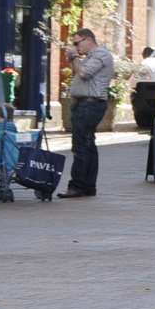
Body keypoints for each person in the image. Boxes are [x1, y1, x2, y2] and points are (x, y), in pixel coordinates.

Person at [59, 28, 113, 198]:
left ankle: (77, 186)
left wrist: (74, 57)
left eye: (77, 42)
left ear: (88, 39)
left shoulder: (100, 55)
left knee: (80, 146)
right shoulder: (90, 57)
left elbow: (83, 74)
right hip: (84, 104)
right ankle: (88, 186)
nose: (76, 46)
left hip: (90, 105)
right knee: (88, 145)